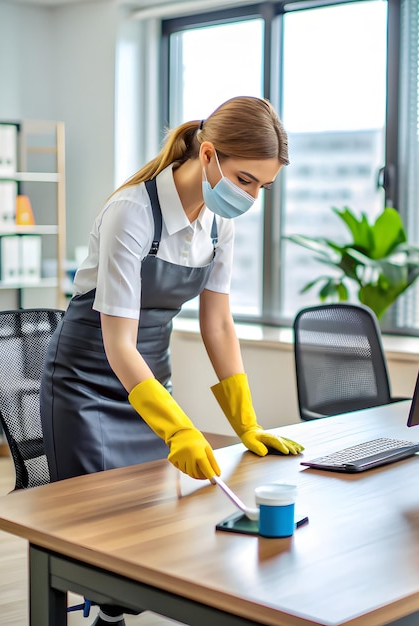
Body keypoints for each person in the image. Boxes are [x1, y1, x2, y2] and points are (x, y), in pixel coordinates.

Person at [40, 96, 304, 626]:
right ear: (208, 155)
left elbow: (218, 325)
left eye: (263, 187)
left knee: (151, 537)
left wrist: (244, 420)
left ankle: (109, 620)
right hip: (88, 383)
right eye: (246, 180)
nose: (252, 197)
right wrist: (179, 429)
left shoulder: (216, 223)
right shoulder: (132, 212)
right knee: (103, 544)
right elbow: (118, 343)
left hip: (147, 383)